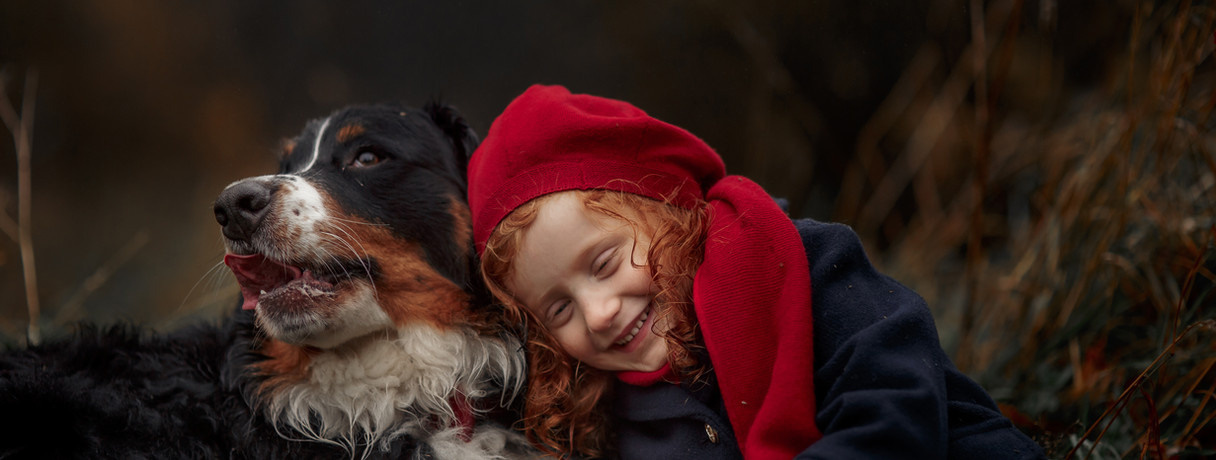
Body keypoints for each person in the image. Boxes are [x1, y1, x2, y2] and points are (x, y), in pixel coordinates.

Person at [468, 84, 1045, 459]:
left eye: (605, 263)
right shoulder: (607, 417)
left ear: (666, 207)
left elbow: (895, 407)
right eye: (559, 310)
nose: (598, 314)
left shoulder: (804, 263)